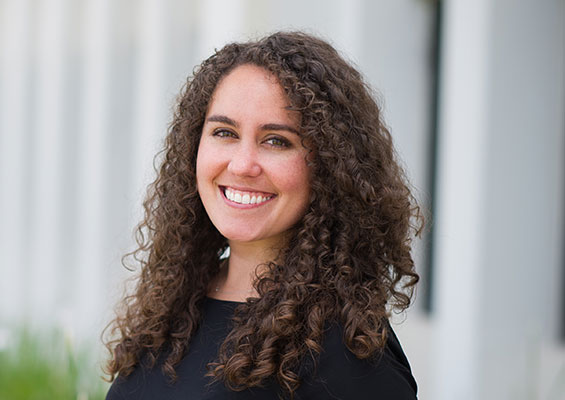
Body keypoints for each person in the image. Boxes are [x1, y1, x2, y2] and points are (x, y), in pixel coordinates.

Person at [104, 31, 422, 400]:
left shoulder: (346, 349)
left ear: (329, 168)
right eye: (224, 132)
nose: (242, 164)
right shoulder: (175, 306)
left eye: (276, 141)